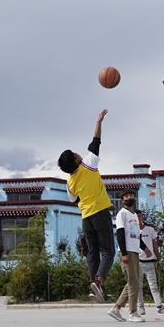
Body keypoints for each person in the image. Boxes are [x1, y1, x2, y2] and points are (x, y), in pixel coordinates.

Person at [58, 109, 114, 303]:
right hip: (99, 212)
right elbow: (96, 141)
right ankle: (98, 282)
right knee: (108, 251)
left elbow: (73, 201)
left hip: (86, 217)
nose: (78, 152)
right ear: (76, 159)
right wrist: (99, 121)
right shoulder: (89, 164)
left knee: (92, 252)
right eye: (74, 153)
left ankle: (93, 287)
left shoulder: (70, 182)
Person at [108, 192, 144, 322]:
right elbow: (120, 233)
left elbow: (136, 235)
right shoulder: (121, 214)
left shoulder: (134, 215)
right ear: (122, 200)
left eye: (131, 196)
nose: (129, 198)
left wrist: (144, 248)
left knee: (133, 282)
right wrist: (123, 253)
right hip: (127, 251)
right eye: (126, 197)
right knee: (133, 282)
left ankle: (116, 309)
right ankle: (133, 312)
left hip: (134, 251)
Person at [136, 211, 164, 317]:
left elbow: (155, 245)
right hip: (137, 262)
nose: (138, 218)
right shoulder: (132, 230)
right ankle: (140, 307)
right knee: (138, 286)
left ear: (142, 217)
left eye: (140, 216)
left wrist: (158, 259)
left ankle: (159, 307)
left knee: (153, 286)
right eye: (136, 217)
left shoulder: (150, 229)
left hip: (149, 262)